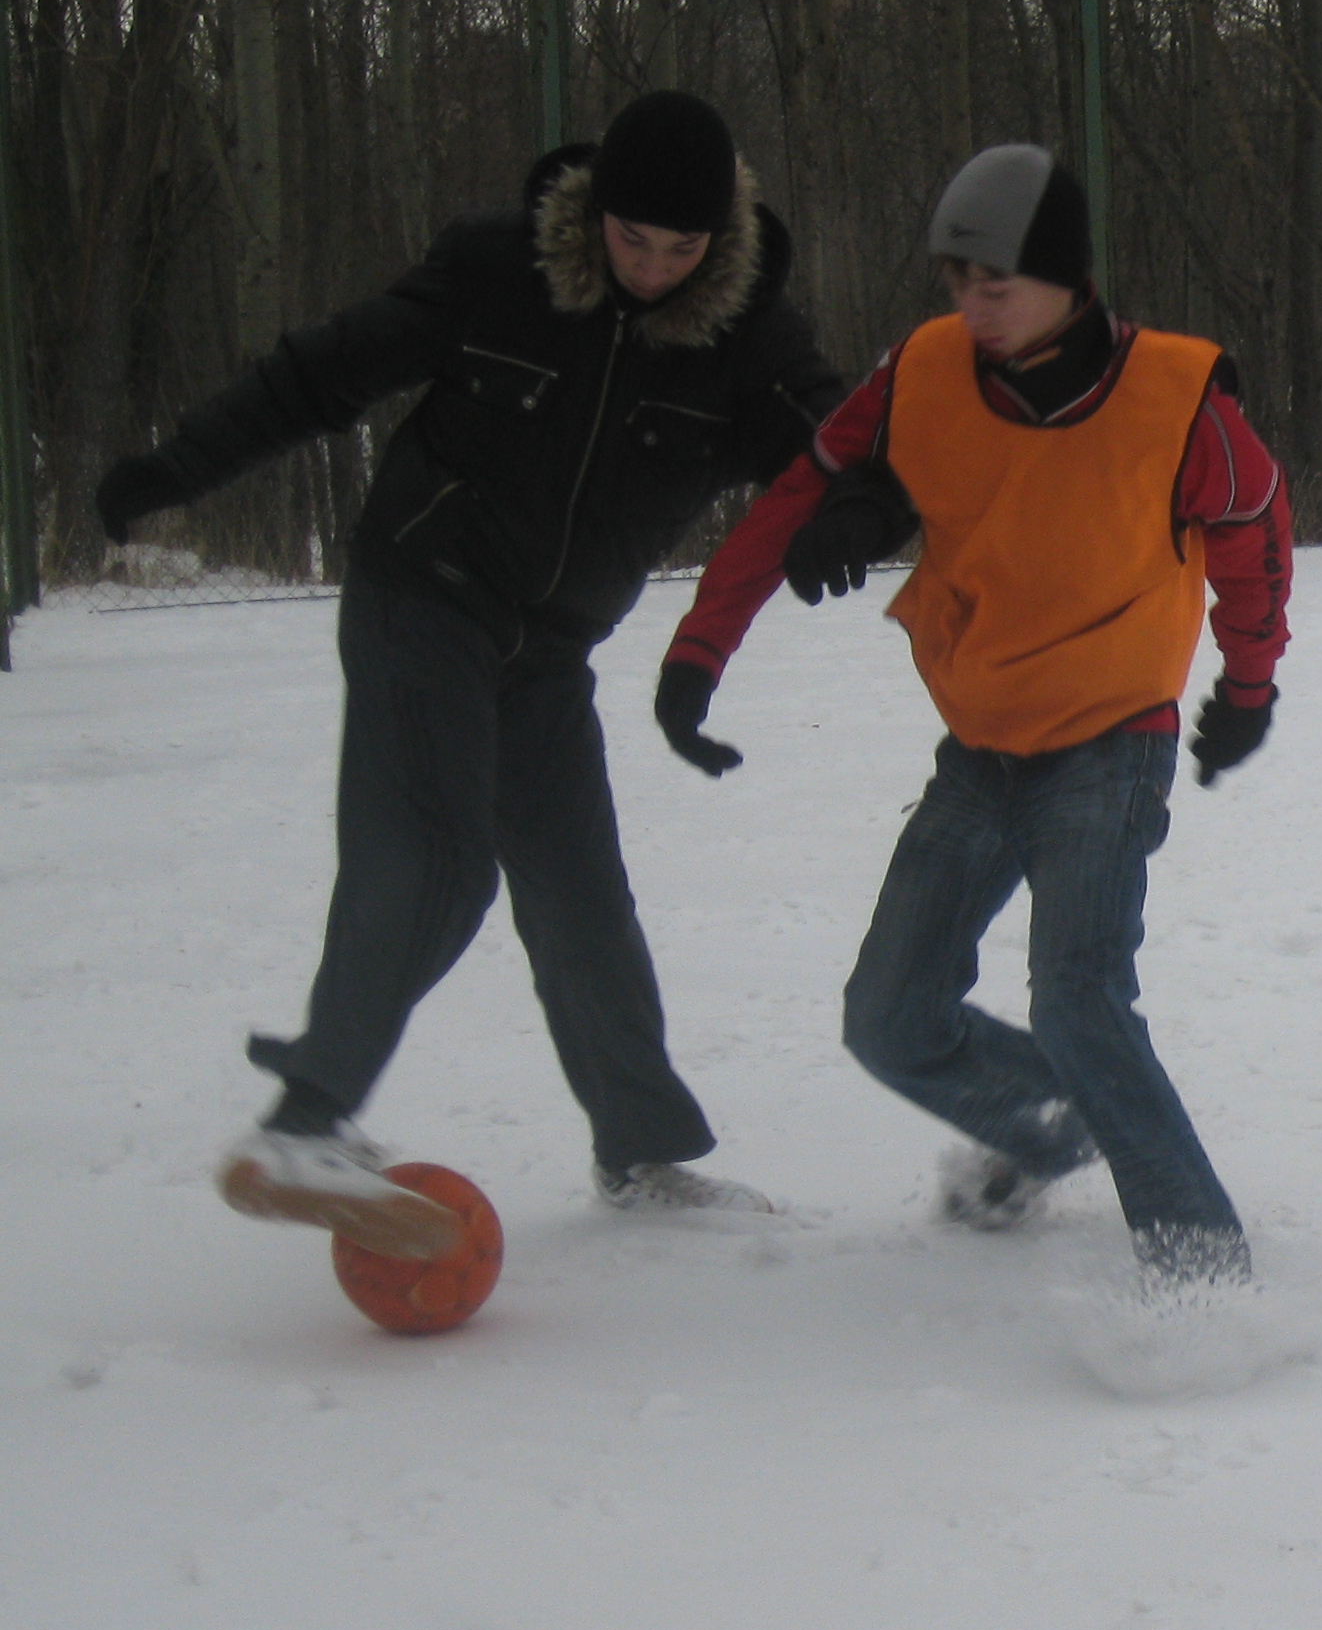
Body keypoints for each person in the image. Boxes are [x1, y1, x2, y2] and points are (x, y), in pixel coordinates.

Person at [92, 91, 837, 1257]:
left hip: (547, 654)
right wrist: (182, 465)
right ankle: (307, 1119)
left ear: (717, 243)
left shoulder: (748, 340)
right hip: (421, 596)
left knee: (582, 900)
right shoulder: (499, 270)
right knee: (435, 854)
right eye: (629, 238)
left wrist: (873, 504)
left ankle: (643, 1154)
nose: (648, 267)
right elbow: (318, 376)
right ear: (595, 212)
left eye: (678, 248)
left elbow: (843, 442)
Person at [666, 146, 1291, 1291]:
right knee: (889, 1018)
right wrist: (702, 649)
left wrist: (1247, 687)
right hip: (984, 747)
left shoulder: (1177, 399)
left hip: (1113, 738)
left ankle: (1202, 1275)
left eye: (994, 282)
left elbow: (1253, 538)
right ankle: (1055, 1126)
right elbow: (805, 489)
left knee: (1079, 996)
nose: (970, 305)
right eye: (956, 282)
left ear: (1064, 278)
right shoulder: (925, 372)